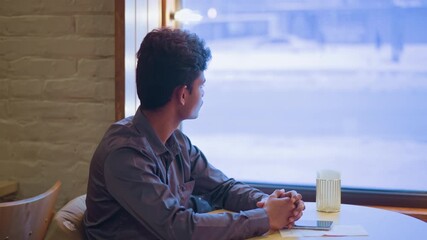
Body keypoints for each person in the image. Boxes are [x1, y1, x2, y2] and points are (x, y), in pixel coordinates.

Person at [83, 27, 305, 240]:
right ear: (182, 94)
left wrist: (269, 203)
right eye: (201, 86)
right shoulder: (126, 155)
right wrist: (265, 217)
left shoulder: (176, 141)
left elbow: (222, 188)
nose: (203, 94)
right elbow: (180, 228)